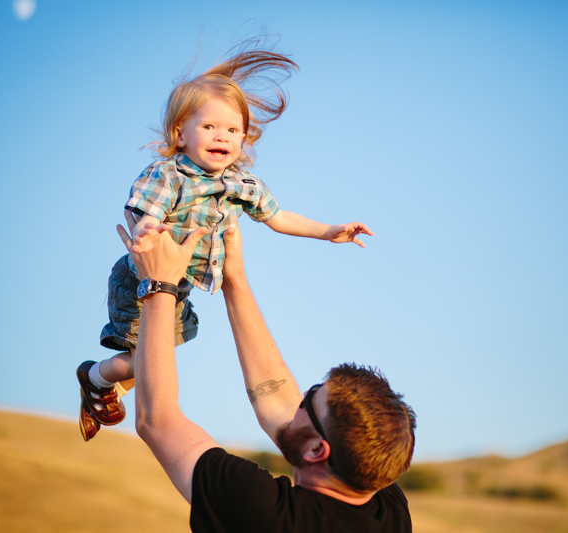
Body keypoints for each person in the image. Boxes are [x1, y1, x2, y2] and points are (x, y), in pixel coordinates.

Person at [77, 41, 373, 441]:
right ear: (180, 134)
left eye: (233, 130)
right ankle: (94, 377)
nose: (223, 137)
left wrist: (329, 231)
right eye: (210, 127)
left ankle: (103, 385)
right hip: (142, 279)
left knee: (160, 354)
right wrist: (148, 231)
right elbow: (145, 213)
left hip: (178, 285)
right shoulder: (169, 176)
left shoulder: (241, 184)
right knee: (148, 359)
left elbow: (278, 217)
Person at [116, 214, 415, 532]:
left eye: (310, 400)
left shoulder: (264, 512)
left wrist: (159, 283)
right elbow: (277, 399)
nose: (298, 400)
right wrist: (234, 280)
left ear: (317, 451)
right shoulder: (387, 511)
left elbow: (158, 420)